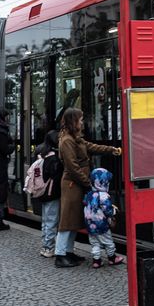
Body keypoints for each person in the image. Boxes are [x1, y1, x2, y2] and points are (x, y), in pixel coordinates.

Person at [55, 107, 121, 268]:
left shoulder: (75, 138)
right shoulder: (67, 141)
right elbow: (72, 167)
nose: (83, 122)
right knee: (67, 220)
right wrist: (89, 184)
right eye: (81, 119)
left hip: (77, 183)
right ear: (74, 121)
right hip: (72, 184)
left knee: (73, 220)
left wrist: (111, 150)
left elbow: (91, 147)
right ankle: (60, 254)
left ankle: (68, 252)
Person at [83, 167, 124, 268]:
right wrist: (114, 211)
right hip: (101, 225)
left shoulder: (89, 194)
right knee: (108, 241)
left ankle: (96, 261)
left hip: (90, 224)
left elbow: (86, 204)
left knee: (95, 243)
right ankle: (112, 258)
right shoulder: (104, 195)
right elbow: (108, 210)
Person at [34, 129, 61, 258]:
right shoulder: (53, 158)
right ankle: (49, 247)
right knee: (51, 220)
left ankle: (45, 245)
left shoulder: (41, 154)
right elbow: (56, 175)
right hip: (52, 193)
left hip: (42, 192)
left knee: (45, 220)